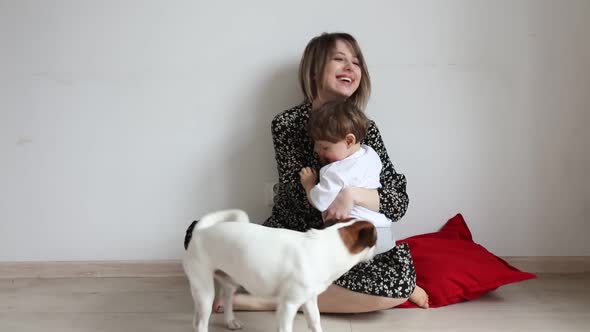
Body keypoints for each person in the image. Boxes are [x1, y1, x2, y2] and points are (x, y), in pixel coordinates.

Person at [216, 32, 428, 313]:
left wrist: (352, 196)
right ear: (315, 71)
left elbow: (397, 201)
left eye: (356, 62)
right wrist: (329, 200)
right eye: (339, 59)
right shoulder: (287, 124)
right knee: (232, 248)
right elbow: (296, 200)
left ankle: (273, 300)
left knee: (394, 288)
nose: (350, 67)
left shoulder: (366, 128)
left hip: (349, 238)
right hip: (301, 235)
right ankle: (290, 289)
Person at [299, 100, 396, 255]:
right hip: (384, 232)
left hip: (355, 235)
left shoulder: (334, 171)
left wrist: (309, 184)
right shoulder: (370, 154)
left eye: (325, 147)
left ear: (349, 141)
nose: (319, 152)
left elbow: (319, 202)